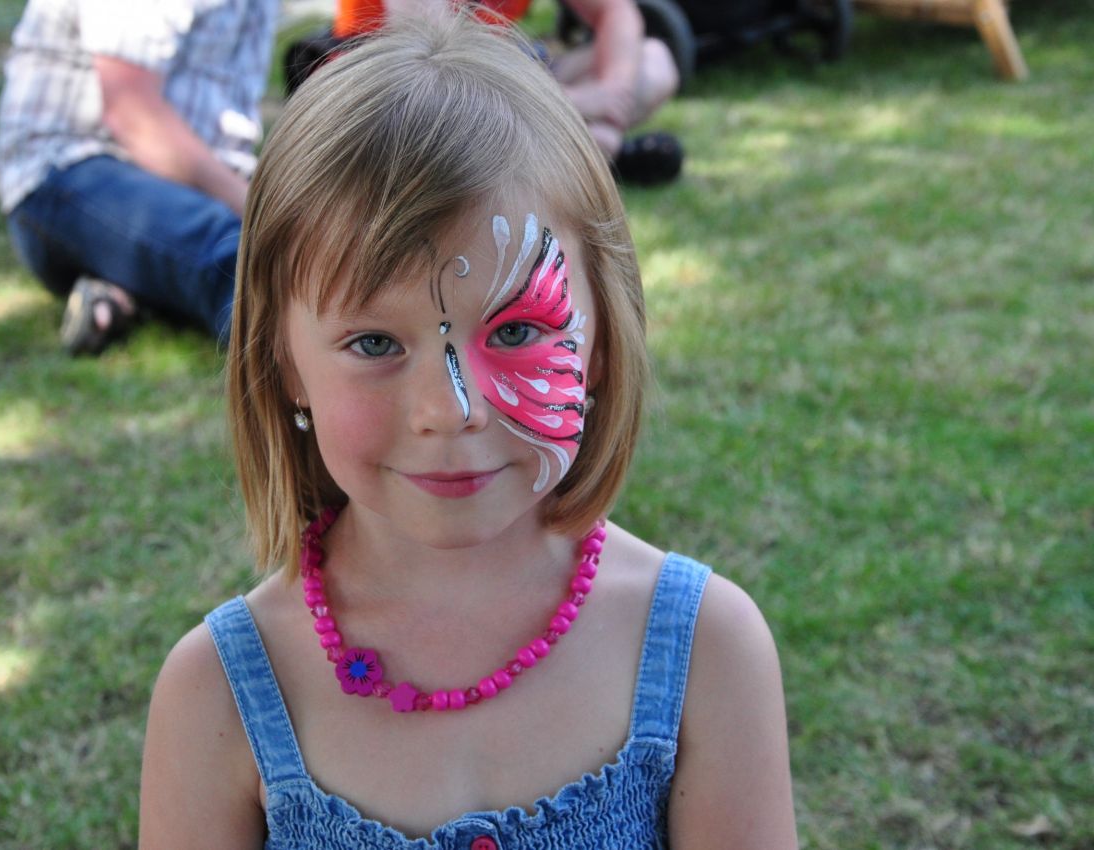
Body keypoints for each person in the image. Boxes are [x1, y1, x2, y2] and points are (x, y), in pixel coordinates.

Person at [140, 12, 795, 849]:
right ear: (285, 362)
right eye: (374, 343)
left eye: (516, 330)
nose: (451, 410)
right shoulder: (218, 695)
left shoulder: (706, 652)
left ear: (601, 338)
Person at [0, 0, 278, 355]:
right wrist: (257, 209)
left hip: (181, 183)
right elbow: (131, 114)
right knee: (246, 252)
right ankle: (292, 363)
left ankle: (119, 295)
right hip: (70, 172)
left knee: (314, 226)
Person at [328, 0, 684, 185]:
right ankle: (590, 154)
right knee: (447, 115)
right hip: (390, 99)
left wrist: (614, 91)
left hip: (499, 78)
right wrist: (578, 101)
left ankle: (585, 152)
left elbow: (617, 11)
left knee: (655, 64)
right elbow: (438, 70)